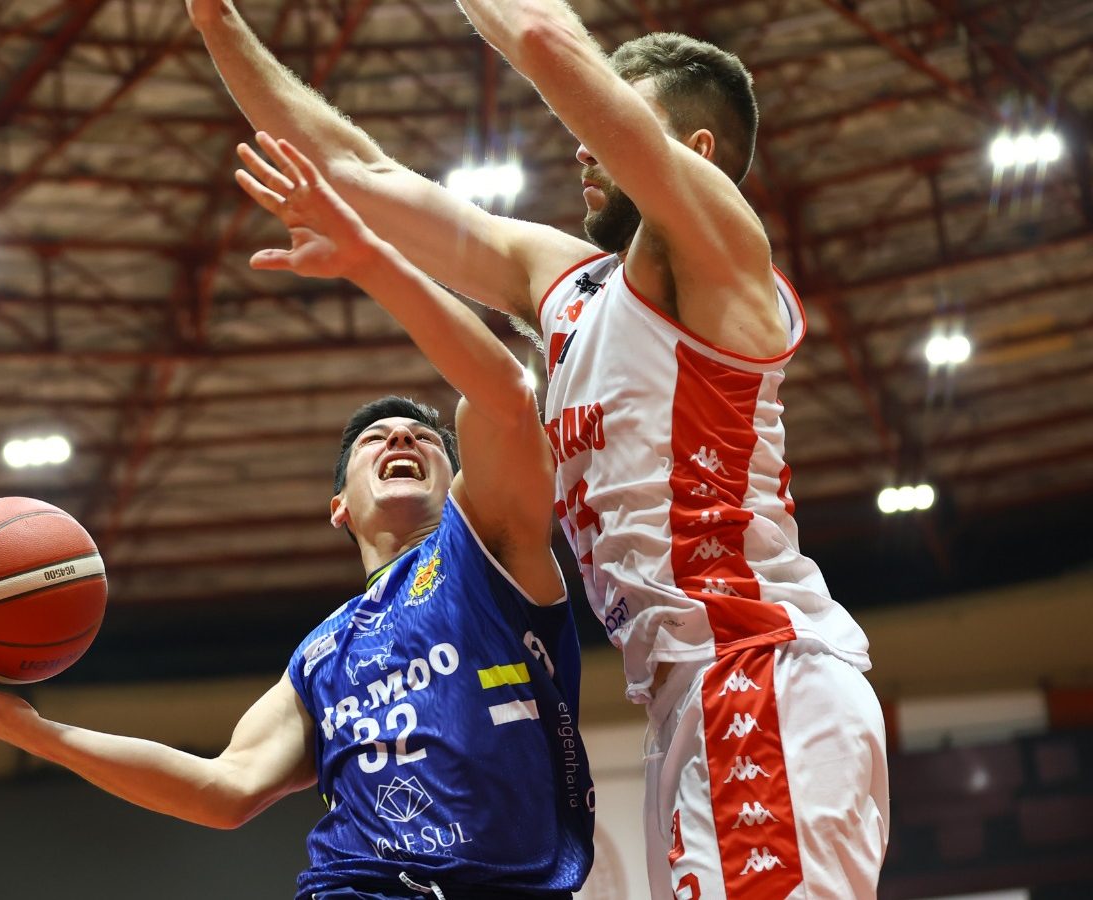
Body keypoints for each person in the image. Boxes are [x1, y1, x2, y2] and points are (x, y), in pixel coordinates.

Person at [192, 2, 888, 897]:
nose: (581, 148)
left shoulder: (723, 257)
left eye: (608, 124)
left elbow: (548, 41)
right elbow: (352, 169)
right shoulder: (559, 281)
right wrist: (216, 22)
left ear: (696, 154)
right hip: (683, 699)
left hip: (758, 668)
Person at [0, 138, 594, 899]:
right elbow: (224, 789)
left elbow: (502, 396)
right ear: (339, 509)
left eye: (425, 438)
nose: (400, 437)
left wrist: (370, 261)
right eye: (373, 440)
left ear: (461, 481)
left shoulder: (488, 549)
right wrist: (34, 734)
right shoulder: (322, 657)